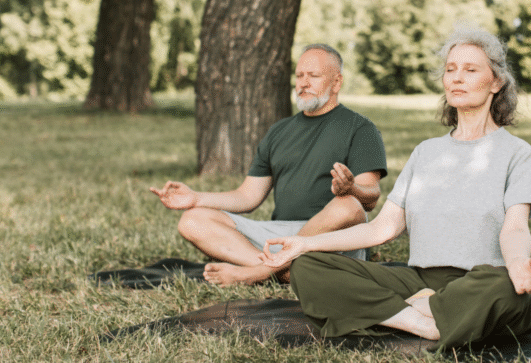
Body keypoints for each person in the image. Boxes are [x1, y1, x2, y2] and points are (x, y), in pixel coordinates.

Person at [259, 26, 531, 350]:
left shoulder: (517, 153)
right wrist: (303, 245)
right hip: (420, 283)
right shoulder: (426, 152)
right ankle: (421, 322)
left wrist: (518, 265)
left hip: (480, 282)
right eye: (450, 70)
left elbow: (515, 229)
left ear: (496, 82)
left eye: (470, 70)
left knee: (507, 289)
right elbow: (382, 228)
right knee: (309, 266)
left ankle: (390, 313)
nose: (456, 78)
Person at [151, 44, 387, 286]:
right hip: (280, 236)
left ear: (336, 82)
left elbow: (370, 198)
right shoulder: (279, 131)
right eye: (299, 76)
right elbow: (247, 197)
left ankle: (257, 273)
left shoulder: (361, 129)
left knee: (349, 206)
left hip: (331, 238)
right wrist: (195, 199)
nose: (303, 83)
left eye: (313, 76)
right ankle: (283, 273)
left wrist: (351, 189)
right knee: (192, 220)